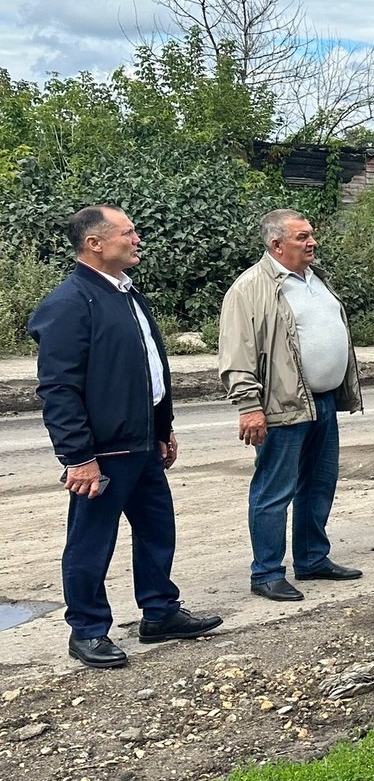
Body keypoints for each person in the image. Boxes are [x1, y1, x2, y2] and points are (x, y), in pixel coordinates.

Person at [29, 206, 221, 669]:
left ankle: (160, 612)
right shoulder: (70, 302)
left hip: (142, 443)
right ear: (95, 243)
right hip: (103, 451)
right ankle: (88, 631)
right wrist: (78, 457)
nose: (137, 239)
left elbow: (147, 368)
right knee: (91, 541)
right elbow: (58, 390)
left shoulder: (127, 294)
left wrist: (163, 427)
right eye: (128, 232)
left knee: (158, 530)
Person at [218, 209, 365, 603]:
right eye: (302, 237)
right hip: (279, 405)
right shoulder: (249, 288)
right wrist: (249, 405)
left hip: (324, 402)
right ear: (276, 244)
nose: (311, 242)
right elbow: (237, 354)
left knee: (318, 484)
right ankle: (266, 572)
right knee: (273, 490)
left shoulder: (316, 280)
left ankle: (313, 558)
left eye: (311, 235)